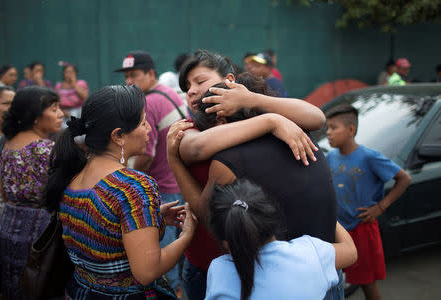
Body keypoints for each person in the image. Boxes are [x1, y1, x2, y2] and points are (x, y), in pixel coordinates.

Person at [170, 49, 333, 299]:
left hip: (268, 261)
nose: (191, 90)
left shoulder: (261, 115)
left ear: (230, 81)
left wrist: (255, 103)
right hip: (209, 262)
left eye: (200, 81)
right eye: (186, 87)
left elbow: (317, 117)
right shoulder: (188, 129)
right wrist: (272, 121)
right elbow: (196, 148)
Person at [44, 84, 197, 299]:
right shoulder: (133, 187)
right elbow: (147, 272)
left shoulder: (74, 175)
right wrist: (187, 235)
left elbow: (104, 231)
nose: (149, 129)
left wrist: (153, 218)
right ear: (118, 136)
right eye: (143, 123)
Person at [205, 179, 357, 300]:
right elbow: (351, 251)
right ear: (271, 213)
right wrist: (328, 211)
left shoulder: (219, 271)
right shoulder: (311, 252)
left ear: (226, 242)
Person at [115, 51, 188, 296]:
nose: (129, 82)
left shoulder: (148, 103)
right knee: (177, 245)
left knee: (162, 253)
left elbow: (146, 154)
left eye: (133, 75)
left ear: (150, 74)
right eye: (126, 76)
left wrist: (129, 177)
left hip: (162, 187)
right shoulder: (168, 93)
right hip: (178, 180)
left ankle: (171, 291)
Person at [325, 104, 412, 300]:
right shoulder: (330, 157)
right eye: (327, 128)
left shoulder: (369, 157)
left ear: (351, 130)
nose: (328, 133)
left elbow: (404, 179)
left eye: (333, 128)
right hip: (339, 229)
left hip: (362, 228)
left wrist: (380, 207)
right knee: (335, 279)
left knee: (366, 282)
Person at [0, 86, 64, 299]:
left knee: (15, 283)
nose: (61, 113)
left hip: (9, 224)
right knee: (39, 283)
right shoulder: (45, 149)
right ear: (35, 116)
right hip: (39, 230)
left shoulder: (9, 144)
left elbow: (3, 189)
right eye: (54, 109)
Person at [0, 86, 15, 299]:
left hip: (8, 227)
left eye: (13, 103)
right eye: (5, 103)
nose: (11, 108)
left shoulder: (17, 140)